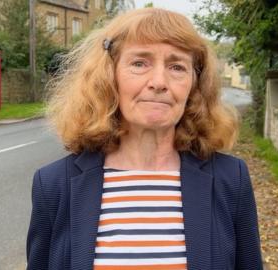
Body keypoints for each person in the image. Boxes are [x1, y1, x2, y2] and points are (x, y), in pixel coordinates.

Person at [26, 8, 263, 270]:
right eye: (140, 63)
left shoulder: (230, 179)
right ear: (109, 77)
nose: (159, 82)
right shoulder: (54, 185)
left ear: (195, 85)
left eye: (176, 66)